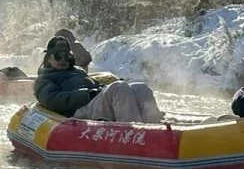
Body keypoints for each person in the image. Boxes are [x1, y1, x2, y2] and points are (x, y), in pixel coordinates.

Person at [35, 35, 164, 123]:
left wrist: (102, 89)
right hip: (77, 112)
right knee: (118, 88)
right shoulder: (44, 79)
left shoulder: (78, 71)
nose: (63, 60)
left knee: (140, 88)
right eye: (58, 56)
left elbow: (96, 87)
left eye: (66, 56)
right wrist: (86, 94)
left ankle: (154, 125)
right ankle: (134, 132)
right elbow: (52, 100)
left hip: (93, 105)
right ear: (48, 58)